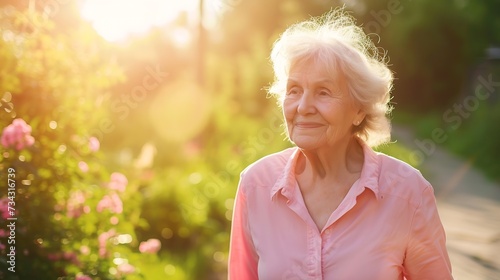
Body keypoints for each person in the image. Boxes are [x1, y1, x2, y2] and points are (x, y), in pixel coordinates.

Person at [228, 8, 453, 280]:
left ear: (359, 110)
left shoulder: (407, 193)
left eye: (323, 92)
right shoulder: (255, 185)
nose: (303, 107)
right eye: (294, 90)